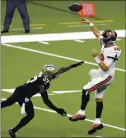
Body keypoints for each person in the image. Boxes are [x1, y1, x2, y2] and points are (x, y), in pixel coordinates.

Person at [1, 61, 84, 138]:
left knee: (6, 103)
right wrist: (57, 109)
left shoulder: (43, 75)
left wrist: (72, 66)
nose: (55, 75)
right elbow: (46, 100)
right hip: (23, 96)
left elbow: (60, 70)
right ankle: (12, 131)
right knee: (30, 115)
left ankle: (12, 130)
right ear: (49, 75)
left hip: (19, 90)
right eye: (53, 74)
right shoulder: (44, 83)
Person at [69, 18, 121, 134]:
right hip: (101, 74)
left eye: (105, 35)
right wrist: (90, 23)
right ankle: (97, 122)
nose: (102, 36)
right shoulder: (106, 42)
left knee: (86, 89)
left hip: (106, 76)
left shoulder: (114, 50)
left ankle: (81, 113)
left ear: (108, 39)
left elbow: (105, 67)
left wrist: (96, 57)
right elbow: (97, 33)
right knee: (98, 97)